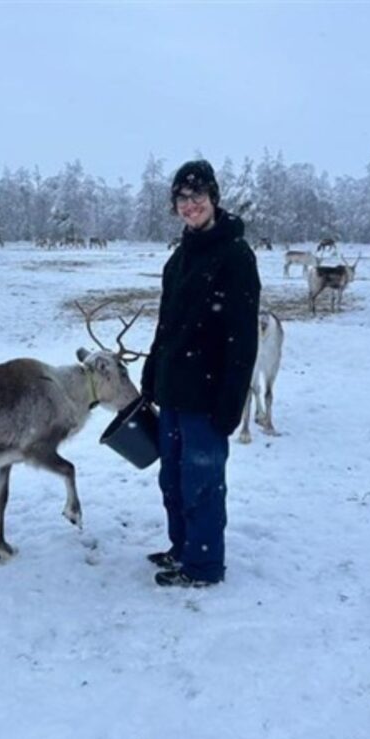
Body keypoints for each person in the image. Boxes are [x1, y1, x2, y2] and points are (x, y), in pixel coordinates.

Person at [140, 159, 261, 587]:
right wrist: (153, 373)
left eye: (198, 197)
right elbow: (165, 325)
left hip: (209, 398)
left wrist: (232, 402)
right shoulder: (178, 260)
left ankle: (205, 566)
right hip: (173, 393)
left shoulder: (235, 256)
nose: (190, 206)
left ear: (213, 199)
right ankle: (183, 548)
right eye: (182, 199)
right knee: (171, 478)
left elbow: (243, 338)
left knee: (202, 482)